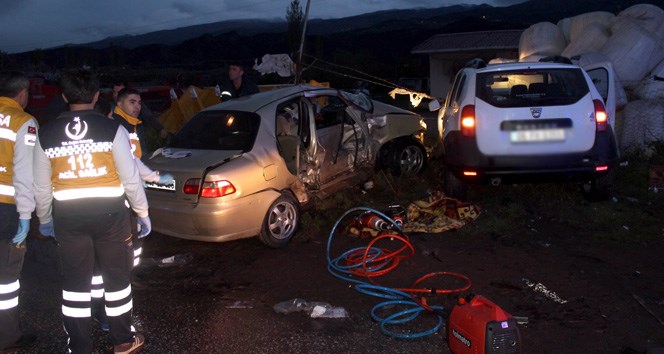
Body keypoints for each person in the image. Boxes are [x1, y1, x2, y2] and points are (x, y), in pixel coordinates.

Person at [33, 68, 149, 354]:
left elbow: (40, 185)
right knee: (117, 280)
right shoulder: (113, 130)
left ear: (63, 96)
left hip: (68, 218)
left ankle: (79, 347)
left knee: (75, 285)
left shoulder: (46, 133)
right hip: (111, 215)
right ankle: (122, 341)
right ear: (97, 96)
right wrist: (142, 212)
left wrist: (46, 218)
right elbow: (130, 177)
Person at [0, 71, 38, 352]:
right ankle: (7, 338)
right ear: (22, 93)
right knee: (6, 280)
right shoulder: (23, 121)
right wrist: (26, 216)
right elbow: (25, 174)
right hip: (7, 211)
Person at [111, 81, 169, 150]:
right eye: (115, 92)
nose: (137, 106)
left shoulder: (136, 124)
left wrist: (160, 128)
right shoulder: (112, 119)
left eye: (139, 103)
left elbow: (149, 116)